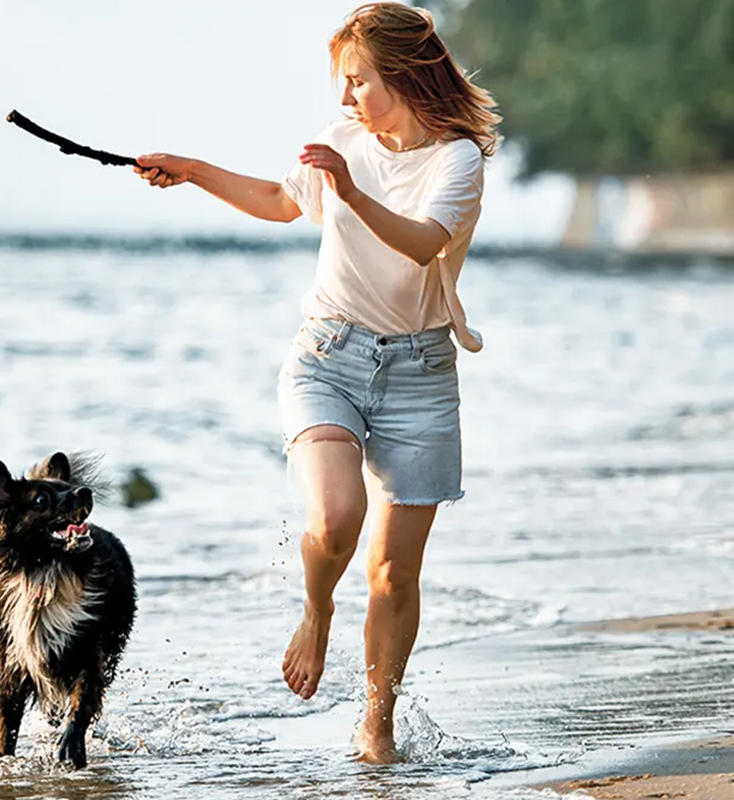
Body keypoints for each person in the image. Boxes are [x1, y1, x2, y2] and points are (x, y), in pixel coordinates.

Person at [133, 2, 499, 764]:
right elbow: (279, 201)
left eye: (357, 82)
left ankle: (377, 724)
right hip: (327, 356)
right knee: (336, 518)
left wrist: (354, 194)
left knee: (395, 572)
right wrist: (193, 170)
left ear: (400, 77)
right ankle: (317, 607)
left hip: (421, 376)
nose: (344, 100)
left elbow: (421, 245)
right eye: (343, 83)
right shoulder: (340, 143)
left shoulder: (455, 160)